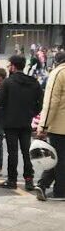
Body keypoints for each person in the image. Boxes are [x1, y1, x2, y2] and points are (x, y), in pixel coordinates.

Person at [0, 55, 43, 190]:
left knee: (13, 152)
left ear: (13, 66)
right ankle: (29, 179)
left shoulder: (8, 82)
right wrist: (32, 113)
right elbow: (40, 102)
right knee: (26, 151)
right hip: (26, 121)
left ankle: (12, 180)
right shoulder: (33, 82)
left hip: (10, 122)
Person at [35, 51, 65, 201]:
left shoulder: (58, 73)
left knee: (57, 158)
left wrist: (43, 125)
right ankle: (44, 184)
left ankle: (58, 190)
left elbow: (51, 102)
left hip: (60, 125)